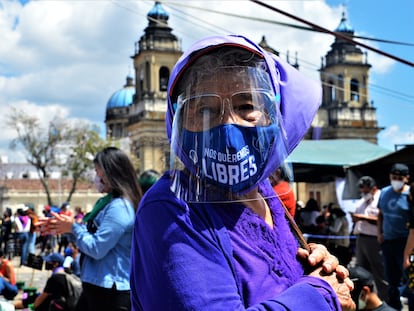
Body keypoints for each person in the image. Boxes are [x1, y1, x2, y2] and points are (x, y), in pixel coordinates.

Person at [130, 35, 355, 311]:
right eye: (205, 109)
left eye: (246, 106)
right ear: (179, 120)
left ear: (275, 115)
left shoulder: (265, 192)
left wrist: (311, 267)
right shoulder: (171, 208)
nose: (228, 126)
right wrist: (321, 293)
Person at [38, 146, 142, 311]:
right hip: (96, 286)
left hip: (110, 292)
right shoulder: (108, 203)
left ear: (110, 173)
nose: (96, 177)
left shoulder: (120, 207)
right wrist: (66, 228)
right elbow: (89, 239)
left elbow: (97, 248)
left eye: (97, 171)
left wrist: (73, 228)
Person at [378, 163, 413, 310]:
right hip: (388, 242)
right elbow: (380, 214)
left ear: (407, 178)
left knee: (409, 280)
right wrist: (379, 233)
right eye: (394, 177)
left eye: (400, 178)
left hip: (405, 243)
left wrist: (408, 252)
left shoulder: (410, 195)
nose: (396, 180)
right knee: (391, 280)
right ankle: (394, 307)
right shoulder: (385, 192)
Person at [351, 176, 388, 301]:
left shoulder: (381, 198)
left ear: (374, 188)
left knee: (379, 274)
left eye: (366, 191)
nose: (363, 193)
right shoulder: (361, 201)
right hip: (361, 238)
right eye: (362, 191)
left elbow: (381, 219)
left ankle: (384, 302)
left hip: (374, 240)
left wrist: (362, 218)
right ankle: (365, 302)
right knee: (361, 273)